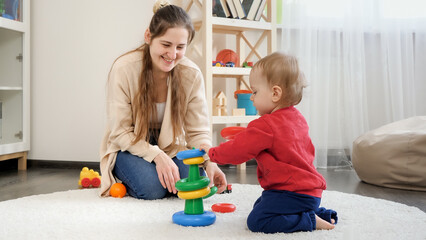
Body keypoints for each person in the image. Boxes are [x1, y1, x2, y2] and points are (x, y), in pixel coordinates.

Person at [99, 2, 227, 199]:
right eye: (166, 45)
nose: (172, 54)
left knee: (190, 182)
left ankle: (159, 172)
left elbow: (198, 131)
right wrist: (157, 156)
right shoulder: (124, 69)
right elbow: (121, 133)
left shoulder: (190, 74)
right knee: (152, 188)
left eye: (180, 47)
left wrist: (211, 161)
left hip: (171, 146)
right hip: (129, 145)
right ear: (149, 36)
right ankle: (121, 174)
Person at [200, 52, 338, 233]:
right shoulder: (297, 118)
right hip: (309, 192)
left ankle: (309, 219)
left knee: (258, 220)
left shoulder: (266, 125)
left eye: (255, 92)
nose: (251, 97)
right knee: (262, 203)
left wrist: (212, 153)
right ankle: (319, 212)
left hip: (292, 192)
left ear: (275, 93)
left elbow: (238, 150)